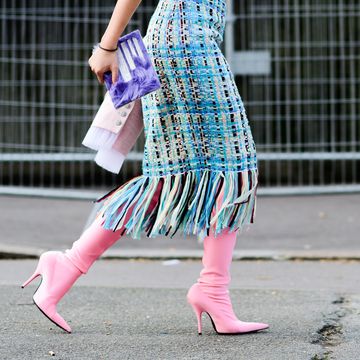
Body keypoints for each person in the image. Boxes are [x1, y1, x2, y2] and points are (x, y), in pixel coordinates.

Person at [21, 0, 269, 335]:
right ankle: (209, 290)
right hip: (185, 43)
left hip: (191, 41)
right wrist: (107, 45)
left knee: (218, 169)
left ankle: (69, 265)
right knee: (226, 165)